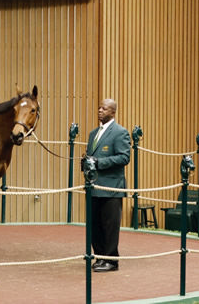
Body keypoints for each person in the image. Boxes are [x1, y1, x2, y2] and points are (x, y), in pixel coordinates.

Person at [86, 98, 130, 272]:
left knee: (110, 226)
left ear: (113, 112)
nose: (100, 111)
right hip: (94, 187)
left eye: (104, 108)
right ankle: (100, 256)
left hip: (111, 188)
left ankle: (111, 260)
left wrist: (99, 162)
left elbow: (124, 157)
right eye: (99, 108)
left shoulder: (120, 132)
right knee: (94, 224)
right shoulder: (93, 134)